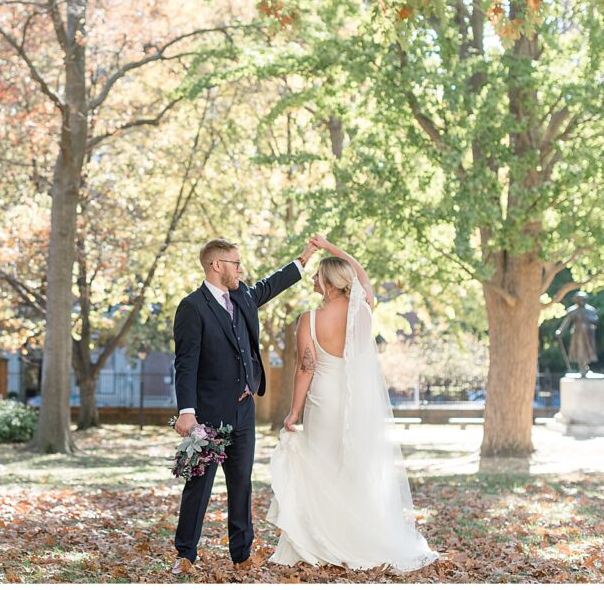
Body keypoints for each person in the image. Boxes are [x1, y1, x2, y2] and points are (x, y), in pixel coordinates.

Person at [267, 234, 438, 572]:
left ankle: (325, 539)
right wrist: (330, 247)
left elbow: (305, 368)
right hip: (356, 401)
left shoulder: (309, 320)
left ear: (330, 284)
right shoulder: (362, 311)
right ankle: (354, 538)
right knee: (352, 467)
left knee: (324, 465)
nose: (313, 280)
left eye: (318, 276)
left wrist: (294, 412)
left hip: (323, 400)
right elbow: (362, 276)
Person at [170, 236, 319, 576]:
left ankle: (241, 554)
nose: (241, 268)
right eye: (235, 263)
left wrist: (303, 259)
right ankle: (185, 555)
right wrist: (186, 411)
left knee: (242, 484)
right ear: (216, 265)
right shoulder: (192, 307)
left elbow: (270, 285)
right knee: (199, 486)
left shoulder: (242, 296)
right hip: (206, 416)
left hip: (243, 411)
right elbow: (186, 363)